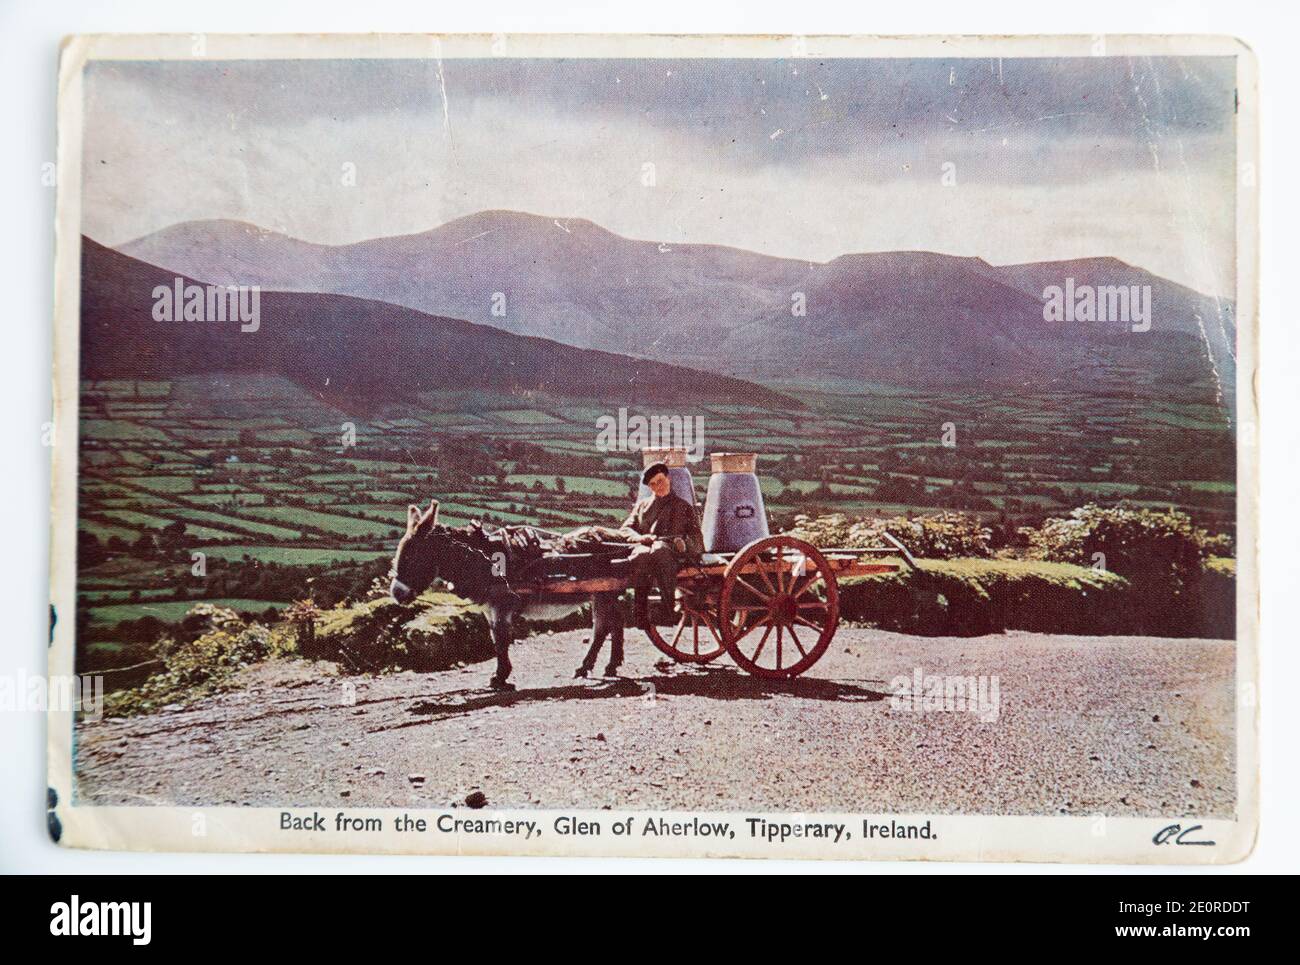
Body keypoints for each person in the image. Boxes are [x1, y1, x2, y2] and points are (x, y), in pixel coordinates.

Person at [620, 462, 704, 629]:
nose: (658, 486)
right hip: (647, 549)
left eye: (660, 480)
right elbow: (625, 529)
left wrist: (684, 544)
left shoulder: (683, 507)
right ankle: (640, 613)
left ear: (668, 478)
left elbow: (697, 539)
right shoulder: (642, 506)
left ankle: (667, 611)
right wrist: (639, 538)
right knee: (640, 555)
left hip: (674, 554)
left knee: (659, 551)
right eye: (652, 484)